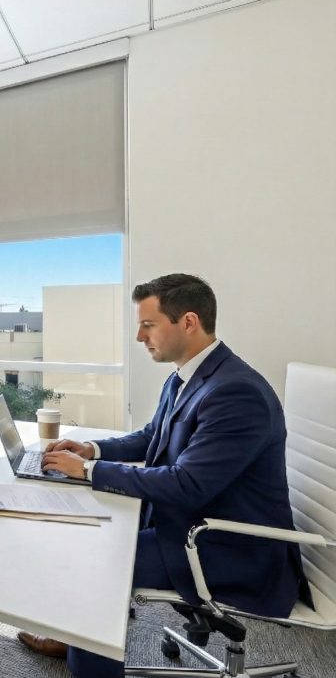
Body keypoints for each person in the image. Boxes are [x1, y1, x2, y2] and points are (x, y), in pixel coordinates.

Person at [16, 274, 312, 678]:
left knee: (96, 562)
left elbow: (187, 484)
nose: (140, 336)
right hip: (191, 522)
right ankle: (80, 635)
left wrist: (87, 471)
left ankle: (87, 658)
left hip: (231, 548)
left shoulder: (236, 392)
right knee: (87, 528)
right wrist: (93, 450)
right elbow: (151, 436)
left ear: (188, 322)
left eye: (148, 324)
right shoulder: (185, 377)